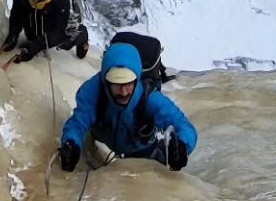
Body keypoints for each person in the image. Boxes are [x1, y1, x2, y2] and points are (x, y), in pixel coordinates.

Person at [59, 41, 197, 171]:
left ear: (137, 80)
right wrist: (71, 143)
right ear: (105, 82)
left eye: (128, 84)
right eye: (116, 85)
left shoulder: (149, 98)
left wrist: (182, 145)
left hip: (141, 149)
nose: (123, 92)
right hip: (104, 139)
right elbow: (78, 123)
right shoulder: (93, 92)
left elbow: (181, 124)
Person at [0, 0, 89, 64]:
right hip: (47, 10)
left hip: (63, 20)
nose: (34, 0)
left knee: (66, 41)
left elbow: (59, 32)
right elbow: (17, 13)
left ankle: (81, 35)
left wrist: (36, 46)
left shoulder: (63, 0)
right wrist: (13, 35)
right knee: (32, 36)